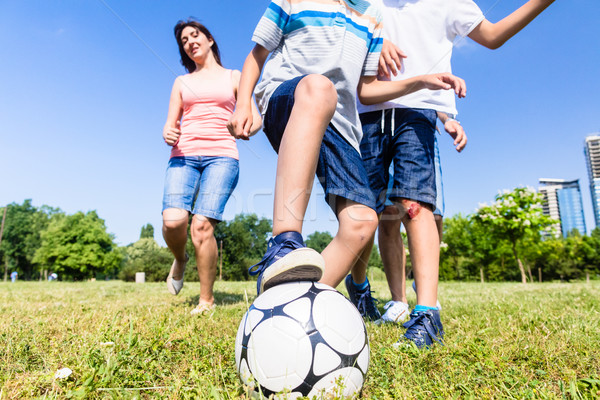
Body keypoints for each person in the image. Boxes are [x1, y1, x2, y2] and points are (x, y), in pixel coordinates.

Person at [347, 0, 556, 348]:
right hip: (367, 111)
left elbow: (492, 36)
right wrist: (373, 43)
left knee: (414, 203)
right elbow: (339, 34)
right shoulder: (368, 4)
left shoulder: (449, 2)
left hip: (419, 113)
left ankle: (427, 313)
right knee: (369, 213)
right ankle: (358, 286)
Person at [228, 0, 466, 296]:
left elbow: (366, 90)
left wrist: (419, 81)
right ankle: (284, 242)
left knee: (363, 221)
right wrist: (243, 103)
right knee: (319, 88)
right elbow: (257, 55)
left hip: (340, 124)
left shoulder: (372, 15)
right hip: (289, 100)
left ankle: (292, 303)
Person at [162, 19, 262, 315]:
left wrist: (246, 129)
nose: (190, 41)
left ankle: (206, 300)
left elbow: (254, 118)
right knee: (173, 222)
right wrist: (168, 131)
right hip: (183, 156)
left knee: (201, 226)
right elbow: (170, 123)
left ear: (209, 40)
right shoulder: (182, 83)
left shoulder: (234, 76)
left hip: (222, 156)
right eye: (184, 40)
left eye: (195, 35)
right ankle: (180, 259)